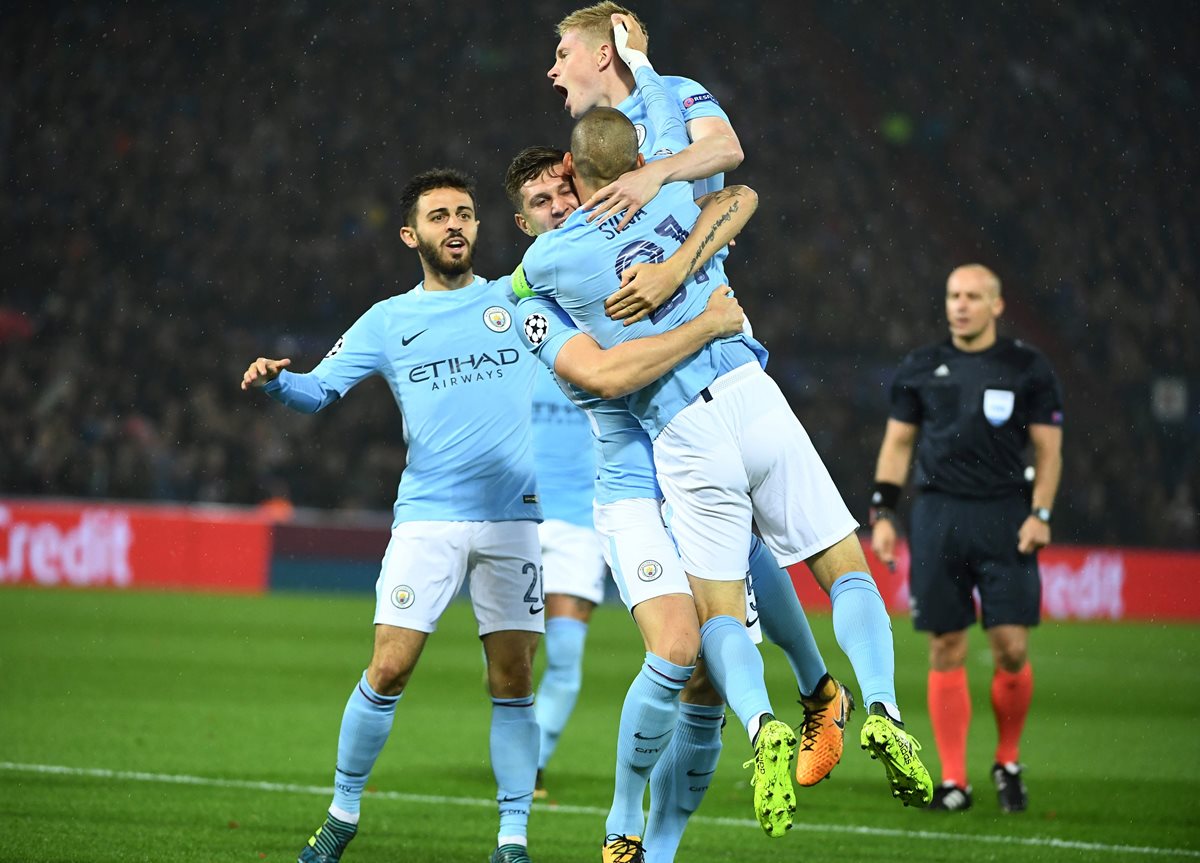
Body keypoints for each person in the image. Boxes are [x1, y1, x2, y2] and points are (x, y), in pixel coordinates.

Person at [515, 107, 934, 843]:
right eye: (538, 203)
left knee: (717, 629)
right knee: (818, 580)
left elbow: (523, 283)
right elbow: (737, 192)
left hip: (683, 435)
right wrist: (695, 289)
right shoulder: (660, 206)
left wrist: (667, 261)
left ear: (578, 175)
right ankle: (877, 705)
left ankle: (771, 720)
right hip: (707, 425)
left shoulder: (551, 262)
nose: (556, 206)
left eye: (561, 190)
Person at [241, 169, 546, 863]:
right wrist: (278, 383)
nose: (455, 224)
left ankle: (513, 838)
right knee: (389, 667)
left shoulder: (516, 297)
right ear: (411, 235)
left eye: (464, 212)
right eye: (439, 215)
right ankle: (342, 815)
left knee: (513, 680)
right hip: (429, 519)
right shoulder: (388, 320)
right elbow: (320, 389)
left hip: (515, 520)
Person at [869, 264, 1064, 814]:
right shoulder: (921, 367)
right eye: (954, 295)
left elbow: (1049, 450)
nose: (960, 305)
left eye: (973, 296)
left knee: (1012, 647)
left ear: (997, 305)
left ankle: (1007, 761)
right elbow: (898, 444)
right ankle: (955, 780)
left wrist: (1041, 513)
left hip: (1007, 516)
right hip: (938, 515)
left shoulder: (1027, 367)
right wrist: (883, 513)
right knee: (945, 645)